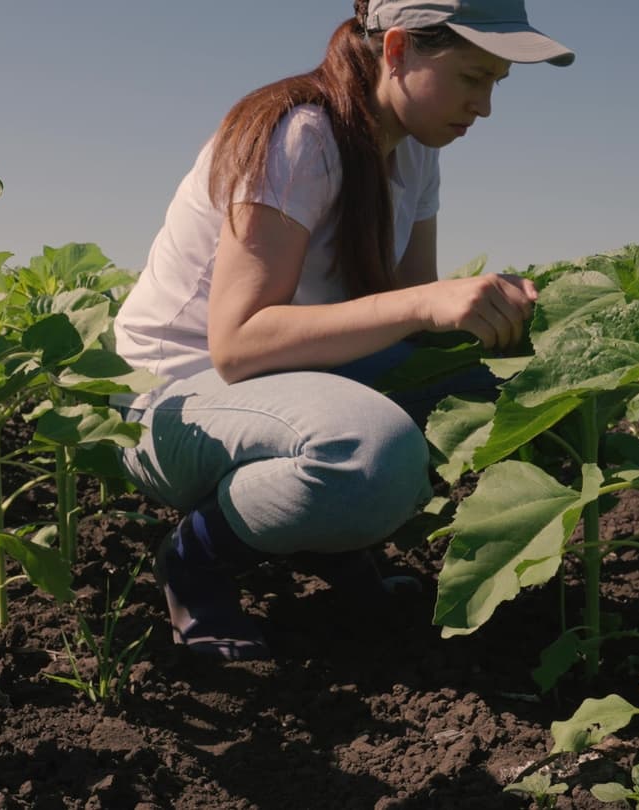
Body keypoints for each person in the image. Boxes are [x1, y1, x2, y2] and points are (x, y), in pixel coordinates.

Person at [111, 0, 573, 660]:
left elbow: (406, 330)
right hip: (164, 400)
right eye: (472, 77)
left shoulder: (415, 149)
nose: (485, 106)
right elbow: (238, 344)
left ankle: (329, 532)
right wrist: (428, 304)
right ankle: (197, 561)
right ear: (398, 52)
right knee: (372, 452)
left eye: (496, 82)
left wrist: (495, 316)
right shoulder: (298, 134)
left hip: (275, 387)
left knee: (487, 395)